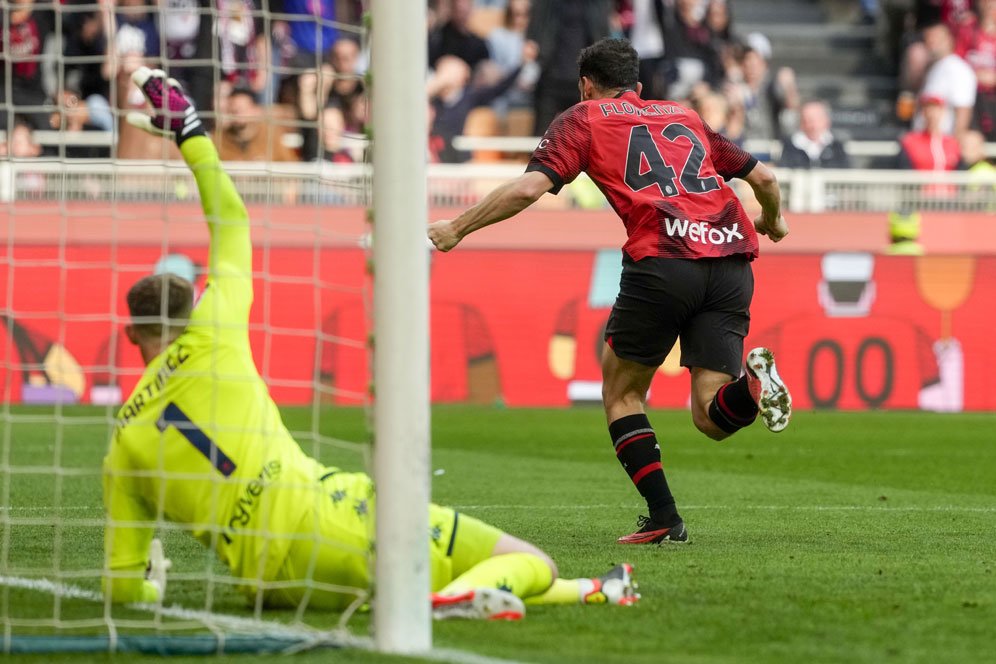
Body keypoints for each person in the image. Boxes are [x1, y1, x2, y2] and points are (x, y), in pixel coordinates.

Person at [103, 67, 639, 621]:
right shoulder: (212, 331)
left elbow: (122, 588)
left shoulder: (123, 443)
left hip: (267, 582)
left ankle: (589, 590)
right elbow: (231, 222)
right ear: (193, 307)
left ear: (131, 334)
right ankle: (437, 604)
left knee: (494, 572)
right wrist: (191, 131)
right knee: (530, 562)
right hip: (329, 518)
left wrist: (151, 584)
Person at [428, 38, 793, 545]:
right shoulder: (682, 115)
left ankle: (665, 516)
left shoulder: (586, 117)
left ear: (585, 85)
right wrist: (772, 223)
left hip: (665, 262)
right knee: (711, 415)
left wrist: (457, 228)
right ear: (640, 86)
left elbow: (528, 189)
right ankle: (752, 387)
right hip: (732, 262)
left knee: (622, 394)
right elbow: (767, 179)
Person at [779, 100, 851, 169]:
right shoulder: (790, 148)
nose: (813, 126)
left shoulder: (837, 147)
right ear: (801, 122)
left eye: (817, 119)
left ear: (827, 120)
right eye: (808, 120)